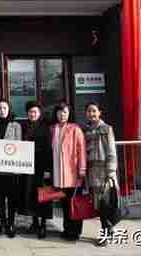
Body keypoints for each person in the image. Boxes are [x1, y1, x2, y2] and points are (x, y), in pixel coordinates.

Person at [83, 102, 118, 247]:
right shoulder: (86, 130)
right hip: (92, 172)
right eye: (89, 111)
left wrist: (111, 171)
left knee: (105, 204)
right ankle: (108, 230)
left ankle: (107, 232)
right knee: (98, 205)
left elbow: (111, 150)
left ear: (99, 112)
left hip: (104, 171)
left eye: (94, 111)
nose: (92, 114)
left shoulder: (106, 129)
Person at [51, 102, 87, 241]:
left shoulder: (74, 129)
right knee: (65, 204)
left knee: (75, 203)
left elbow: (81, 150)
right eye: (59, 112)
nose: (62, 115)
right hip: (59, 175)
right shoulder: (53, 129)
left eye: (65, 112)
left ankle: (75, 232)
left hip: (73, 174)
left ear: (69, 113)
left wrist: (82, 169)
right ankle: (67, 230)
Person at [0, 99, 22, 237]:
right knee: (0, 197)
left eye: (4, 108)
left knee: (12, 198)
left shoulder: (16, 126)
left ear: (9, 109)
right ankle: (2, 223)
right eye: (0, 108)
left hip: (12, 169)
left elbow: (19, 146)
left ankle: (11, 223)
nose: (2, 110)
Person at [19, 101, 53, 239]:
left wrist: (47, 169)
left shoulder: (46, 128)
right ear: (27, 113)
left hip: (41, 167)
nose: (32, 114)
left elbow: (49, 149)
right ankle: (34, 223)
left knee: (43, 195)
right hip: (27, 166)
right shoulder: (23, 126)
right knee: (30, 195)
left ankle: (43, 225)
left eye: (35, 112)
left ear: (40, 114)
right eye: (30, 112)